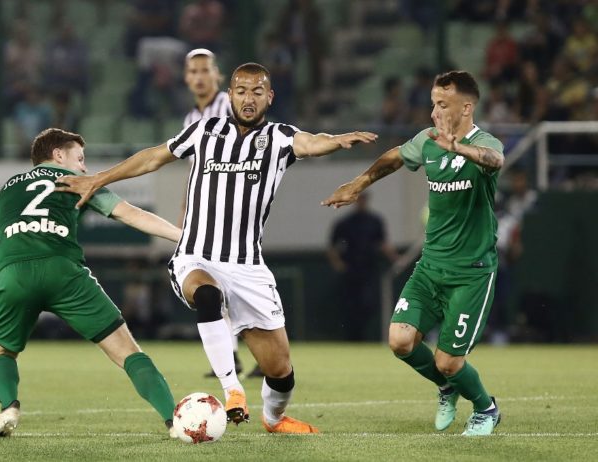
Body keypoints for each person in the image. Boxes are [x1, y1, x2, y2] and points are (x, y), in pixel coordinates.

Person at [57, 63, 378, 434]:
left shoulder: (278, 137)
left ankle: (274, 419)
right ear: (230, 95)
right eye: (241, 91)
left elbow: (311, 141)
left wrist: (335, 140)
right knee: (207, 295)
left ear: (270, 97)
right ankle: (232, 390)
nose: (248, 98)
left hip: (247, 266)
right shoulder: (205, 130)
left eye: (257, 91)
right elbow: (154, 156)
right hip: (195, 255)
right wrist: (99, 178)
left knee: (280, 371)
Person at [322, 70, 504, 436]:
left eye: (443, 105)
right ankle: (446, 387)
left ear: (466, 107)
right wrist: (359, 183)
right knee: (400, 341)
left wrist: (459, 149)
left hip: (471, 272)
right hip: (431, 267)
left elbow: (494, 160)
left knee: (449, 361)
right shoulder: (427, 140)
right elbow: (394, 157)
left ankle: (486, 408)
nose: (434, 112)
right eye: (433, 104)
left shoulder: (484, 143)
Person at [0, 128, 181, 438]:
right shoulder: (79, 182)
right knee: (127, 351)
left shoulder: (8, 188)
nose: (84, 168)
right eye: (80, 158)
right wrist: (184, 237)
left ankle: (8, 407)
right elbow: (131, 215)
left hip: (12, 272)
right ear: (58, 155)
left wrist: (3, 271)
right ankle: (174, 421)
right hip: (63, 271)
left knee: (1, 352)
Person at [182, 48, 255, 378]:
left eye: (204, 70)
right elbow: (194, 169)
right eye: (193, 71)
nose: (199, 77)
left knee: (244, 280)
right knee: (215, 283)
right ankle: (232, 356)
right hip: (207, 213)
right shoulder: (190, 119)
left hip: (236, 205)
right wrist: (187, 208)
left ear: (217, 74)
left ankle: (267, 350)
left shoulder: (228, 106)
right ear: (186, 78)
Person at [327, 192, 398, 341]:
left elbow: (383, 243)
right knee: (349, 306)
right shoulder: (345, 223)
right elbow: (332, 247)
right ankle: (351, 338)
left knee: (368, 304)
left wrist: (395, 259)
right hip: (350, 271)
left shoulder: (375, 221)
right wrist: (339, 265)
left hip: (369, 270)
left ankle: (363, 336)